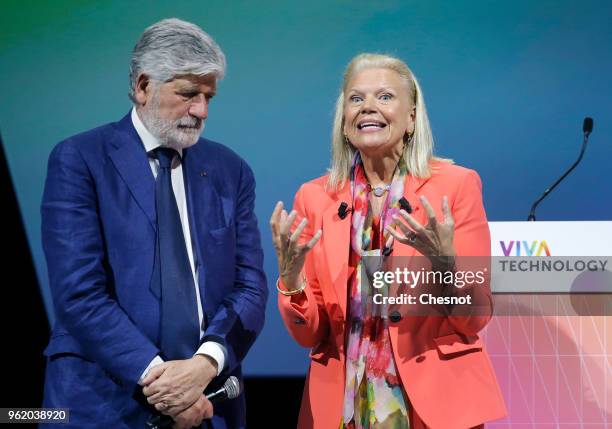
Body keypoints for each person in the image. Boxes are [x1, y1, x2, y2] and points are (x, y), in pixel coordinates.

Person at [41, 18, 267, 429]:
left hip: (211, 400)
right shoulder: (80, 159)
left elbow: (249, 287)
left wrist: (203, 367)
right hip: (102, 403)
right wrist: (165, 385)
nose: (201, 110)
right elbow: (79, 293)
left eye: (208, 97)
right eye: (188, 94)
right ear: (144, 86)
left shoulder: (230, 170)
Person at [270, 53, 506, 429]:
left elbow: (472, 320)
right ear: (344, 121)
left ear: (412, 117)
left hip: (433, 405)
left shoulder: (454, 186)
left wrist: (445, 265)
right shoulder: (314, 197)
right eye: (356, 98)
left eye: (384, 97)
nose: (368, 107)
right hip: (342, 406)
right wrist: (291, 278)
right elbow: (310, 335)